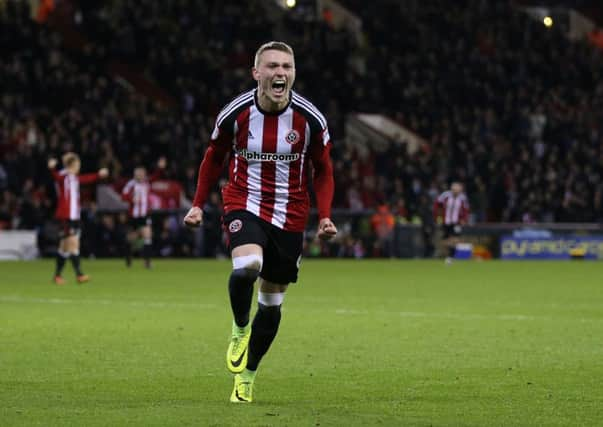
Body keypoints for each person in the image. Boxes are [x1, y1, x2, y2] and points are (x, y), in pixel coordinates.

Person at [183, 41, 337, 403]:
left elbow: (324, 171)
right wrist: (197, 205)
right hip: (244, 201)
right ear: (256, 73)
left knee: (271, 304)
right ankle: (239, 328)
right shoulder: (235, 114)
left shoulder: (310, 119)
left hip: (291, 213)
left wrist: (326, 215)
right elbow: (214, 157)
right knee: (248, 265)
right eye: (271, 66)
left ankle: (248, 376)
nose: (279, 72)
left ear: (293, 73)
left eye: (286, 66)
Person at [48, 153, 108, 284]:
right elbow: (57, 177)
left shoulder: (74, 178)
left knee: (64, 247)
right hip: (66, 217)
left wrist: (98, 175)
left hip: (74, 216)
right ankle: (79, 274)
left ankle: (57, 276)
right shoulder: (64, 177)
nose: (79, 167)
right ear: (72, 165)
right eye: (77, 165)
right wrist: (52, 168)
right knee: (73, 244)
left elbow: (86, 179)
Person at [121, 157, 167, 268]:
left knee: (147, 236)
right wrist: (131, 199)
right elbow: (123, 195)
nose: (140, 175)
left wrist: (160, 168)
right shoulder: (131, 184)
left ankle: (147, 262)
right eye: (138, 173)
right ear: (134, 174)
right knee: (131, 238)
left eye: (141, 173)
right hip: (133, 215)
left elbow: (156, 176)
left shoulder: (147, 182)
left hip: (145, 215)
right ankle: (128, 258)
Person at [433, 181, 470, 264]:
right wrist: (437, 217)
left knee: (455, 239)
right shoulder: (445, 195)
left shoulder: (463, 198)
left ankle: (450, 257)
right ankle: (445, 254)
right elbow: (436, 205)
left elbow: (466, 210)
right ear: (452, 189)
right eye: (454, 190)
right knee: (445, 241)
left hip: (456, 222)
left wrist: (464, 219)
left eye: (458, 190)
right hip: (445, 221)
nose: (456, 191)